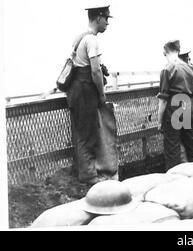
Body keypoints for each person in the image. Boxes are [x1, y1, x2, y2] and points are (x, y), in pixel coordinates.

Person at [66, 5, 117, 185]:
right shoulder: (92, 40)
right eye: (106, 19)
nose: (107, 23)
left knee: (82, 131)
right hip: (85, 91)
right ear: (98, 18)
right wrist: (102, 95)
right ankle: (89, 177)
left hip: (77, 91)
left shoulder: (79, 38)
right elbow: (95, 71)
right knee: (87, 133)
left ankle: (87, 174)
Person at [157, 40, 193, 171]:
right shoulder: (188, 68)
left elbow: (163, 99)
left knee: (172, 148)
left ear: (165, 52)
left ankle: (174, 178)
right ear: (178, 51)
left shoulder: (167, 69)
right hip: (187, 106)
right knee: (190, 143)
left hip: (173, 108)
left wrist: (159, 121)